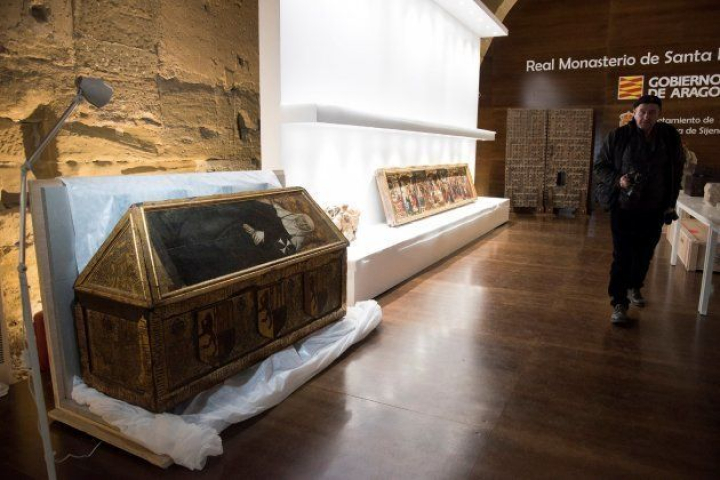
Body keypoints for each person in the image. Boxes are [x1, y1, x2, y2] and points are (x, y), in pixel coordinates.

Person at [593, 95, 684, 325]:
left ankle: (635, 286)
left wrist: (671, 202)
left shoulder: (669, 136)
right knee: (622, 255)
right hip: (624, 207)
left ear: (659, 114)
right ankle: (619, 302)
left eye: (652, 112)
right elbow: (600, 167)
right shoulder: (618, 136)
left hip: (655, 208)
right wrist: (619, 180)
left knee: (644, 253)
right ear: (634, 113)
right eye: (642, 111)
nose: (646, 116)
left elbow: (676, 170)